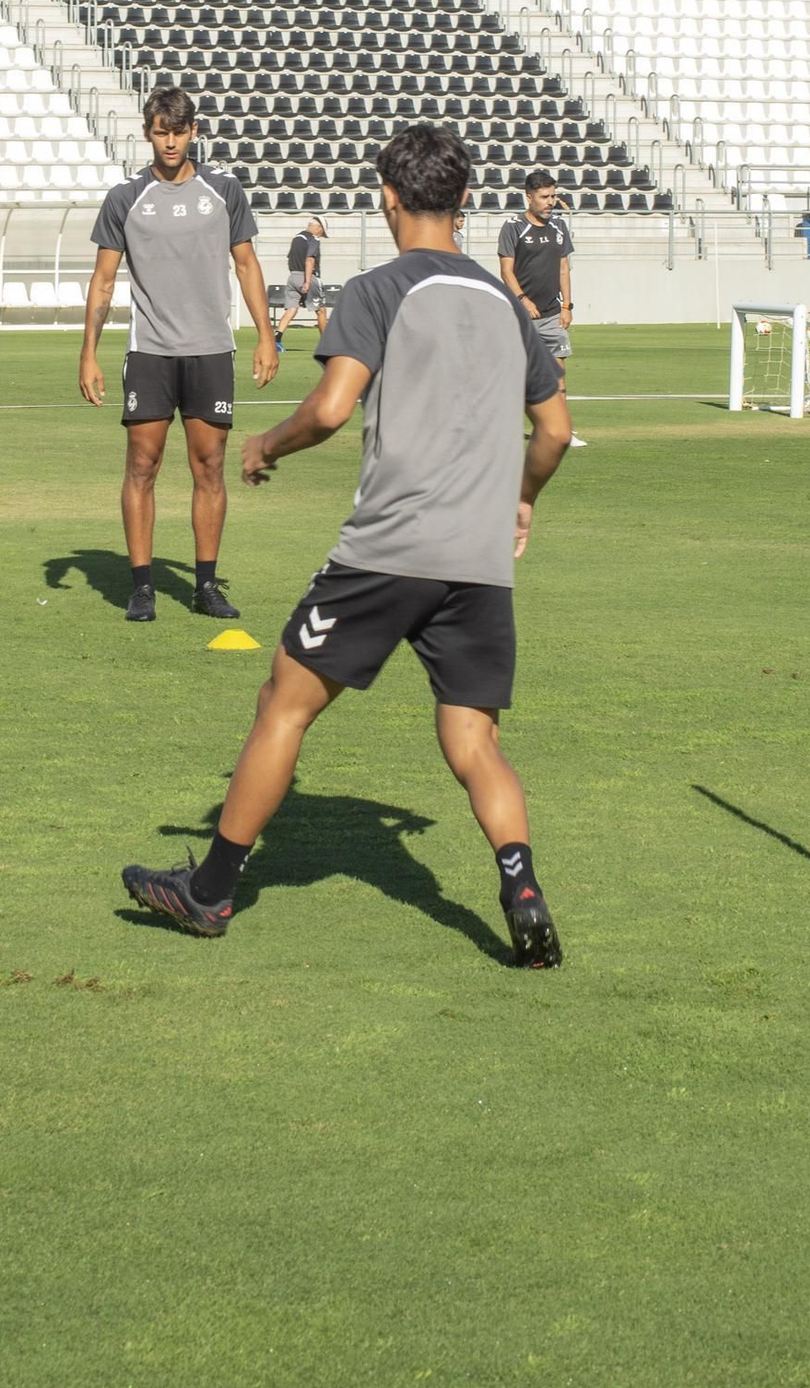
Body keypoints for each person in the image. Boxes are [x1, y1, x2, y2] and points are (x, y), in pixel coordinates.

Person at [122, 124, 572, 968]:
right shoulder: (505, 306)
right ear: (467, 201)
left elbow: (330, 409)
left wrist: (264, 446)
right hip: (476, 562)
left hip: (388, 550)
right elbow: (554, 430)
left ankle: (211, 890)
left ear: (388, 199)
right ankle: (520, 884)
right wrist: (520, 498)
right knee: (475, 741)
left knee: (283, 704)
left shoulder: (377, 290)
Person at [80, 86, 278, 624]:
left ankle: (206, 585)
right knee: (142, 466)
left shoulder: (224, 189)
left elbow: (247, 264)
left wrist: (265, 335)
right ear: (148, 133)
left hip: (211, 350)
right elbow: (102, 282)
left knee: (209, 466)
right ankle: (142, 586)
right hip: (150, 352)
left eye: (179, 131)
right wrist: (89, 354)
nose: (170, 141)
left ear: (194, 132)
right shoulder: (125, 197)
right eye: (161, 131)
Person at [497, 170, 585, 447]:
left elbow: (563, 269)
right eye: (544, 197)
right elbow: (506, 271)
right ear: (529, 197)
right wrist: (523, 299)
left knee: (558, 375)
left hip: (551, 315)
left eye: (553, 196)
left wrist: (567, 306)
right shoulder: (513, 227)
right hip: (519, 316)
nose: (550, 202)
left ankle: (562, 431)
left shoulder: (559, 227)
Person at [274, 214, 329, 350]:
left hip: (292, 277)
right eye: (322, 232)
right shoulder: (313, 240)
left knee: (291, 309)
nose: (321, 235)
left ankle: (277, 340)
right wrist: (307, 281)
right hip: (307, 276)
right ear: (318, 228)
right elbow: (310, 260)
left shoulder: (297, 238)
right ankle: (328, 344)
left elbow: (289, 257)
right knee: (321, 310)